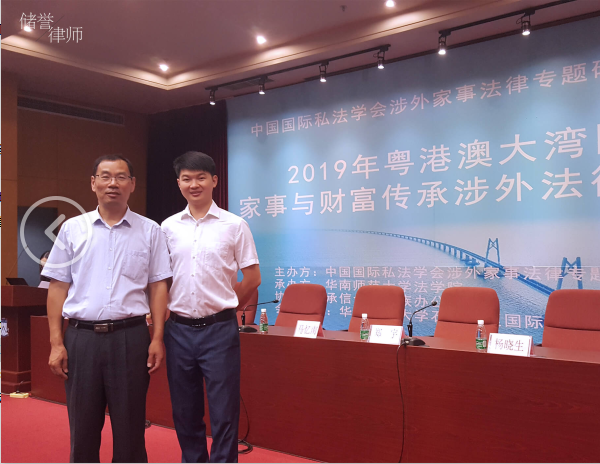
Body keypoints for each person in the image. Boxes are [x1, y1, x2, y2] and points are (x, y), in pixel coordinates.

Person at [42, 154, 172, 463]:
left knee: (130, 430)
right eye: (105, 176)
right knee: (83, 429)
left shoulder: (150, 230)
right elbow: (57, 288)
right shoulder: (73, 229)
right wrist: (56, 343)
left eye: (121, 177)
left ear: (132, 184)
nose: (113, 183)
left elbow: (158, 287)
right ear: (93, 183)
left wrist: (157, 338)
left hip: (130, 338)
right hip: (81, 339)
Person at [161, 151, 261, 463]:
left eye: (201, 177)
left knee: (224, 411)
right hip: (178, 331)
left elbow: (253, 277)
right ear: (178, 183)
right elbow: (161, 279)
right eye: (187, 179)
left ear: (214, 181)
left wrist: (228, 306)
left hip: (219, 331)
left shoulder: (235, 225)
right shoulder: (167, 227)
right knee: (184, 410)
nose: (194, 184)